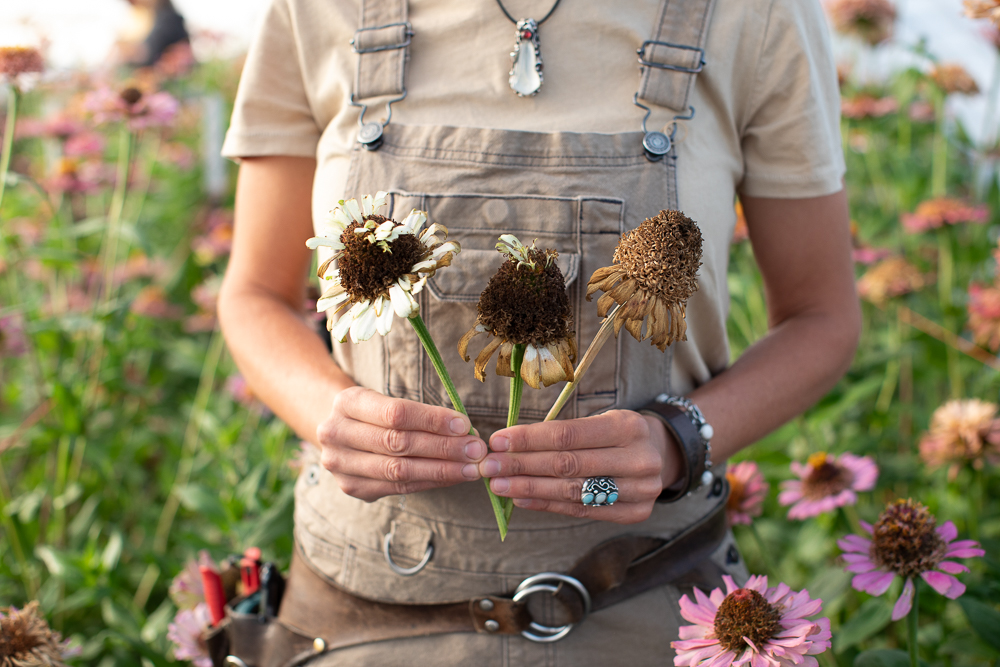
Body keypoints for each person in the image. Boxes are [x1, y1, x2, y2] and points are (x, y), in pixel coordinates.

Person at [217, 0, 860, 663]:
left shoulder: (753, 14)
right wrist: (330, 413)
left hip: (641, 583)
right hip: (365, 599)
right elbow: (255, 293)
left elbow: (823, 317)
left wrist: (675, 443)